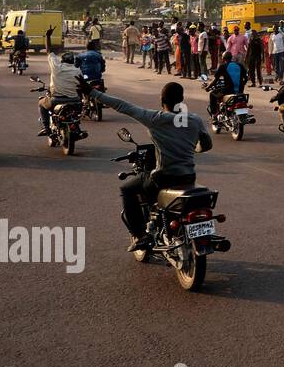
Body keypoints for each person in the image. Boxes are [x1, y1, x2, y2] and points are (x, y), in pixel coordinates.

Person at [83, 80, 213, 252]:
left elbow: (122, 106)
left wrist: (93, 93)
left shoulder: (155, 119)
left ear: (162, 101)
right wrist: (192, 148)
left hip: (164, 177)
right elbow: (207, 144)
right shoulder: (195, 119)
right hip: (188, 176)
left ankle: (140, 235)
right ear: (182, 99)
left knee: (127, 189)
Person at [37, 28, 84, 138]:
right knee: (75, 114)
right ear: (73, 61)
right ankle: (77, 128)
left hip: (56, 100)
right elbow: (81, 86)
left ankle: (46, 128)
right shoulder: (78, 71)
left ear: (62, 60)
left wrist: (47, 36)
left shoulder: (56, 67)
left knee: (41, 103)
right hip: (75, 101)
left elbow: (49, 50)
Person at [207, 51, 247, 125]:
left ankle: (214, 116)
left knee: (212, 94)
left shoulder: (223, 66)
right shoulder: (240, 65)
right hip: (240, 91)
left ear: (223, 59)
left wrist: (208, 87)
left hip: (228, 90)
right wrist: (241, 85)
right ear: (231, 57)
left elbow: (215, 80)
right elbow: (246, 78)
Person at [245, 23, 264, 88]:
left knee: (258, 70)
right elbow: (248, 49)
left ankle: (260, 83)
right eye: (252, 34)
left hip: (257, 56)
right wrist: (246, 57)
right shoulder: (250, 40)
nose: (252, 35)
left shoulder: (259, 40)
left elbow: (262, 49)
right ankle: (253, 83)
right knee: (251, 70)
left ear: (256, 34)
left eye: (253, 33)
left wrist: (263, 57)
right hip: (251, 57)